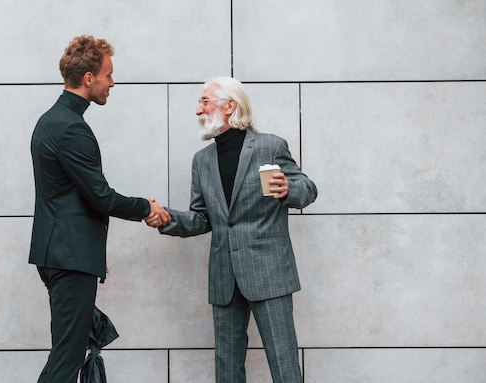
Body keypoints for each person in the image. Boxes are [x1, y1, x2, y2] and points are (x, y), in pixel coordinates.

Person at [152, 77, 317, 383]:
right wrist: (168, 220)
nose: (198, 110)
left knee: (284, 364)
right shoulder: (202, 161)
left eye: (204, 102)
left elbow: (308, 188)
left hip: (270, 274)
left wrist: (288, 189)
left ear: (229, 105)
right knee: (227, 368)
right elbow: (202, 218)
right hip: (225, 278)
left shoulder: (270, 146)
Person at [29, 35, 170, 383]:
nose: (113, 82)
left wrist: (90, 250)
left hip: (64, 254)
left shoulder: (53, 120)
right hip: (68, 258)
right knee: (68, 357)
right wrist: (146, 207)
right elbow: (100, 197)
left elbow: (68, 199)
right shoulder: (71, 128)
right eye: (108, 74)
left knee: (68, 351)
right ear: (89, 78)